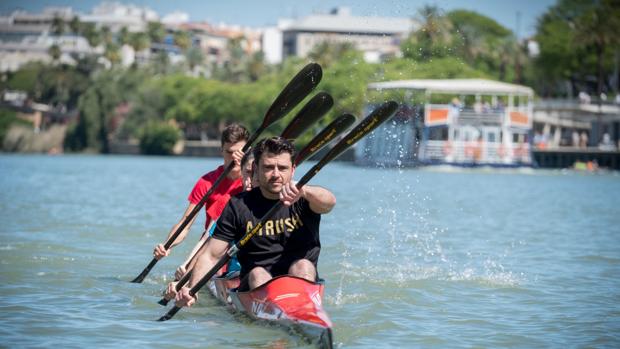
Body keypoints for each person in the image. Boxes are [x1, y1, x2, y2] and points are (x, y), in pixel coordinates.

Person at [174, 137, 336, 307]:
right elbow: (211, 256)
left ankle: (303, 311)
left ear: (293, 170)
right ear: (255, 169)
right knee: (258, 273)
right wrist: (191, 290)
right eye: (268, 167)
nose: (276, 174)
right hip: (255, 285)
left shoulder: (305, 198)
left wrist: (305, 191)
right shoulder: (238, 205)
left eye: (282, 168)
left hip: (301, 280)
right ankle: (274, 313)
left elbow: (329, 203)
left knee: (303, 265)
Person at [153, 123, 249, 263]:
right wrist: (166, 245)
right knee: (183, 278)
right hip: (211, 245)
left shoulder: (256, 179)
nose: (234, 158)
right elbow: (185, 225)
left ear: (248, 152)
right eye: (229, 152)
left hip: (243, 245)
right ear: (221, 150)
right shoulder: (207, 182)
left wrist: (247, 173)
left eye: (239, 152)